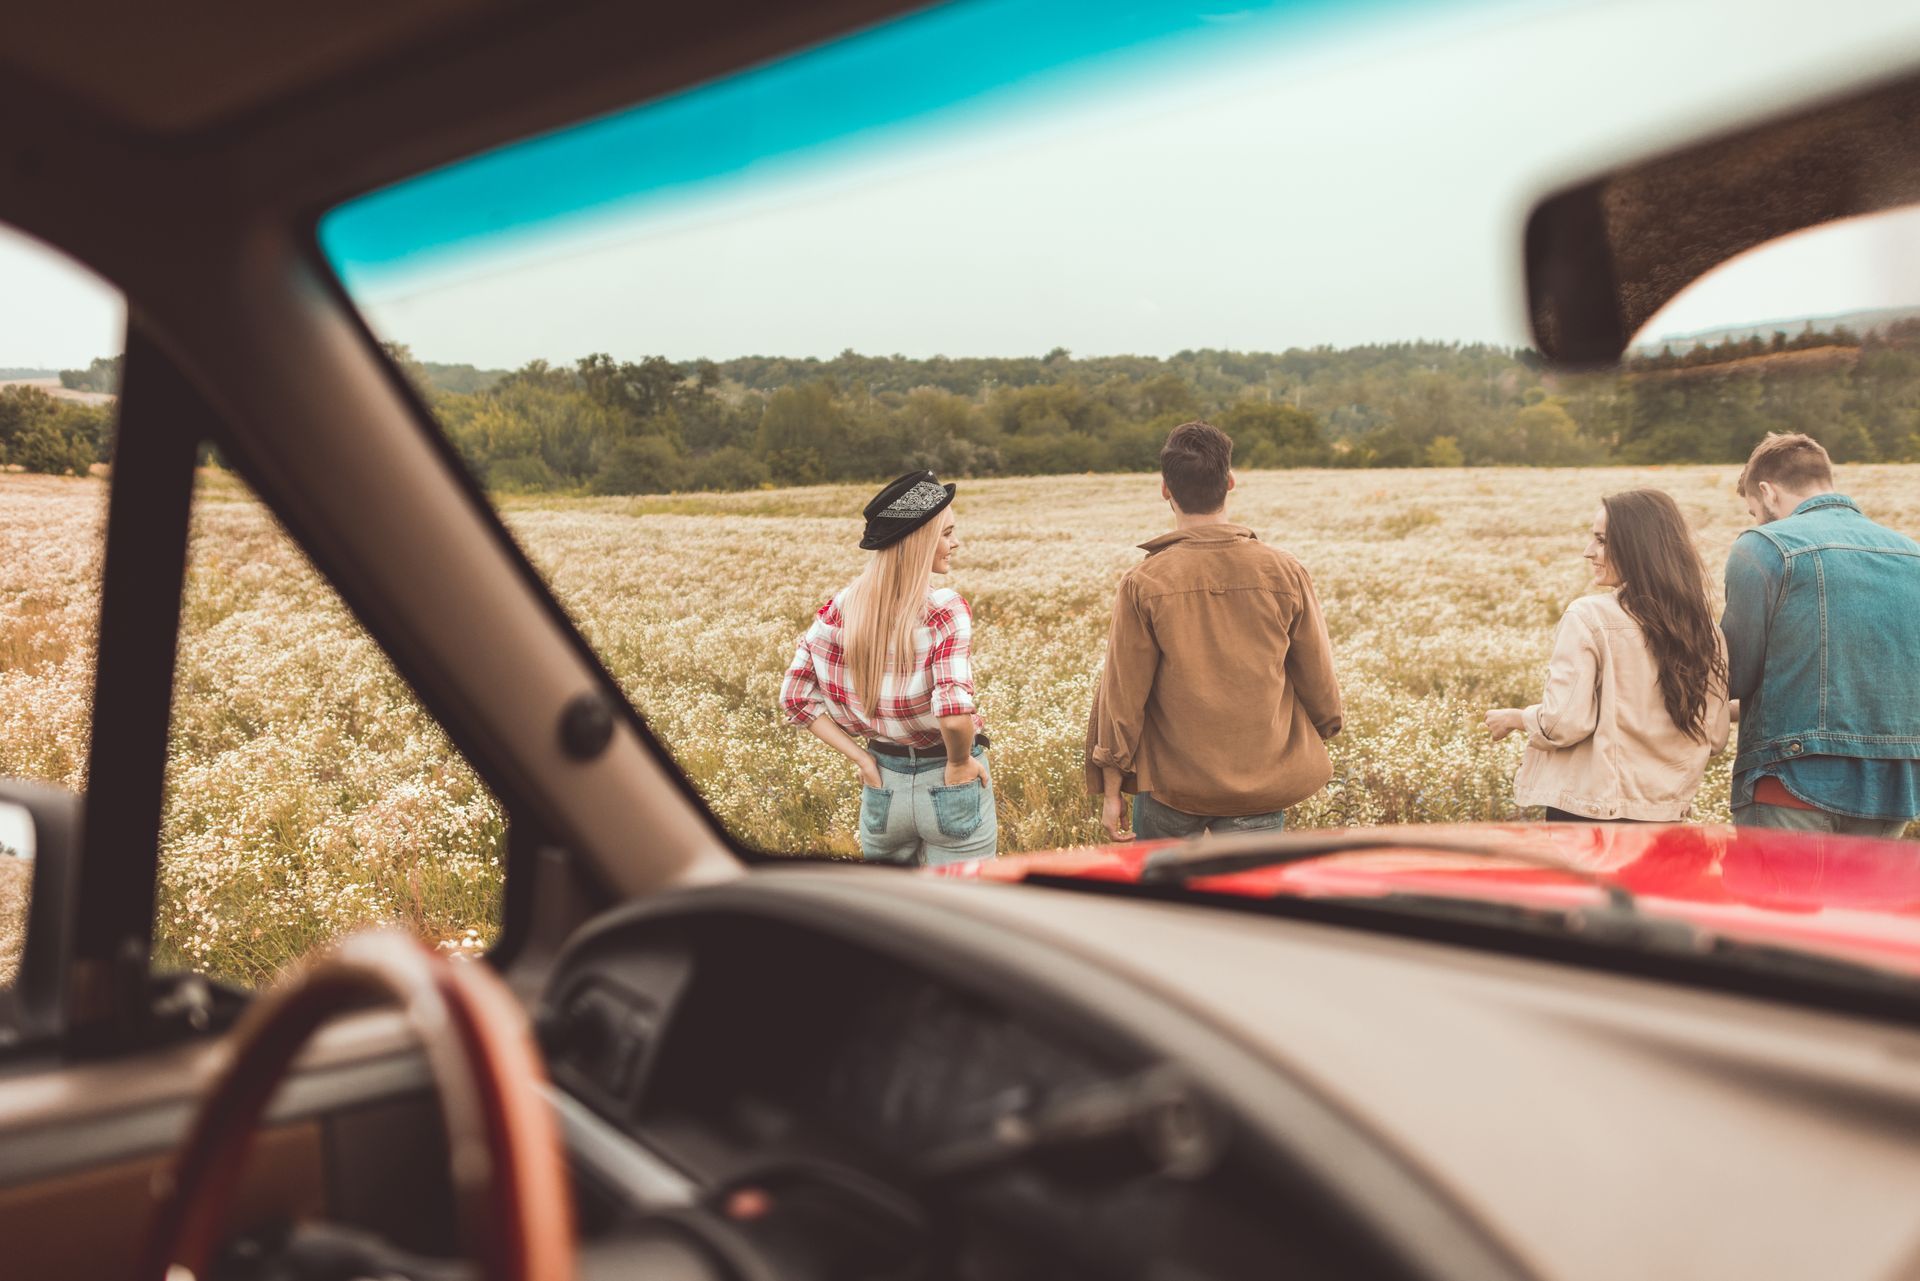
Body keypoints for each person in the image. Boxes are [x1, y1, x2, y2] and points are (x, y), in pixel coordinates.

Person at [1085, 420, 1342, 842]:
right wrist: (1326, 725)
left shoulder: (1145, 582)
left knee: (1167, 908)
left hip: (1171, 789)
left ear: (1165, 489)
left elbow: (1122, 693)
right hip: (1260, 785)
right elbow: (1319, 676)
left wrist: (1112, 788)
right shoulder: (1284, 570)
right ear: (1231, 482)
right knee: (1248, 906)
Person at [779, 470, 996, 865]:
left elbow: (795, 698)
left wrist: (862, 760)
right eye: (946, 534)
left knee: (894, 911)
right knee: (962, 911)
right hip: (948, 780)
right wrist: (961, 762)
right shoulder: (944, 609)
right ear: (920, 542)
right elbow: (952, 714)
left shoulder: (843, 607)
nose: (955, 543)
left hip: (883, 783)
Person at [1719, 432, 1920, 837]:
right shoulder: (1913, 556)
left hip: (1791, 782)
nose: (1756, 521)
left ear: (1767, 492)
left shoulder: (1765, 547)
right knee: (1860, 905)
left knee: (1777, 904)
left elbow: (1732, 676)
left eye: (1754, 511)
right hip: (1894, 788)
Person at [1487, 489, 1730, 822]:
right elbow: (1714, 737)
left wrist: (1517, 718)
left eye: (1602, 541)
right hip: (1665, 817)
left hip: (1589, 815)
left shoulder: (1588, 618)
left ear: (1637, 547)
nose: (1589, 552)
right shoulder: (1707, 633)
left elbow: (1565, 724)